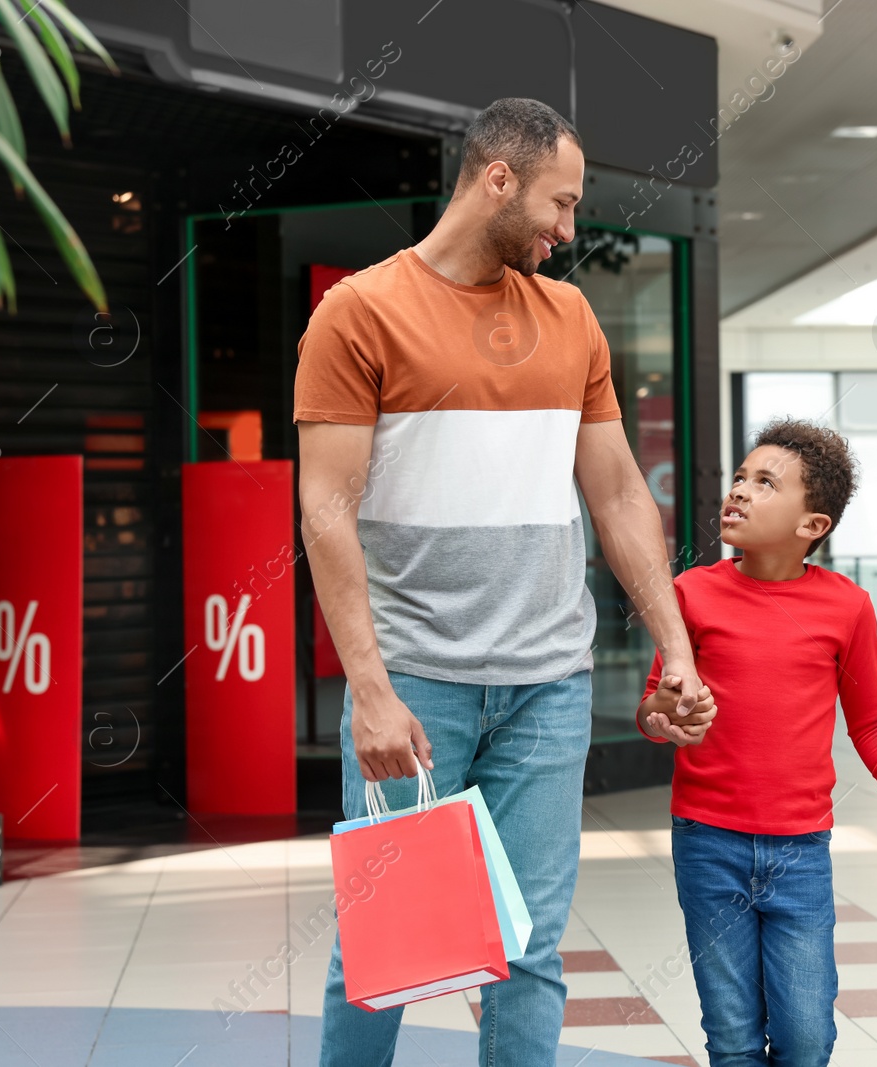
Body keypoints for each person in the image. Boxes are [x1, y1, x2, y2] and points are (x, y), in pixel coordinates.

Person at [295, 97, 700, 1067]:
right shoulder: (359, 312)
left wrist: (673, 643)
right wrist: (372, 691)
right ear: (499, 179)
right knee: (384, 946)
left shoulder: (569, 318)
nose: (569, 231)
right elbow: (325, 512)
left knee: (529, 948)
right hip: (416, 686)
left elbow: (617, 495)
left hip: (547, 687)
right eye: (560, 206)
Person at [639, 419, 877, 1067]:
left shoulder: (846, 606)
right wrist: (666, 713)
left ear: (811, 525)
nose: (738, 490)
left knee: (807, 1038)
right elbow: (652, 709)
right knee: (731, 1038)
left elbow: (870, 724)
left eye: (765, 483)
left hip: (801, 853)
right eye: (740, 477)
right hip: (707, 841)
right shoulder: (691, 593)